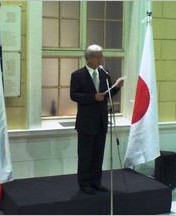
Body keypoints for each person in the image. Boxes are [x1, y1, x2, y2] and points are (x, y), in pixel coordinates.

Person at [70, 44, 124, 195]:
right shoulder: (77, 75)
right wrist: (92, 97)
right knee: (85, 155)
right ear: (89, 58)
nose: (101, 59)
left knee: (98, 154)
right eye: (99, 56)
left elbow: (106, 95)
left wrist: (117, 87)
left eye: (101, 56)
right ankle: (84, 183)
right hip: (86, 123)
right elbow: (74, 95)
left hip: (101, 121)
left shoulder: (104, 73)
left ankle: (96, 182)